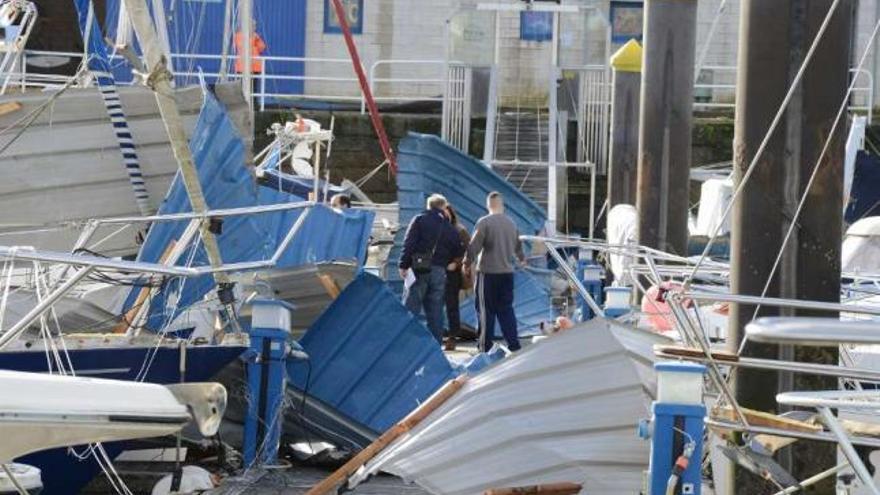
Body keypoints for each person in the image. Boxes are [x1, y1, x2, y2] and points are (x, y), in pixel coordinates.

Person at [464, 191, 525, 352]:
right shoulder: (512, 223)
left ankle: (484, 348)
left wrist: (466, 262)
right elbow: (518, 247)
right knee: (506, 310)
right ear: (502, 206)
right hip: (507, 274)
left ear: (488, 205)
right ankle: (514, 345)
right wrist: (522, 259)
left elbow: (474, 246)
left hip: (488, 274)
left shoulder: (484, 223)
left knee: (485, 311)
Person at [399, 194, 464, 343]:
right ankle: (435, 346)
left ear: (429, 206)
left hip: (418, 269)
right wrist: (448, 262)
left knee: (411, 308)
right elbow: (458, 250)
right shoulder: (450, 227)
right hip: (440, 271)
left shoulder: (420, 219)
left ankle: (405, 343)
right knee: (436, 311)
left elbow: (409, 243)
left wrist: (403, 265)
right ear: (443, 207)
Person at [442, 204, 471, 351]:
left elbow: (468, 250)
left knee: (451, 305)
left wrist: (456, 263)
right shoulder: (437, 228)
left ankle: (452, 337)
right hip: (438, 270)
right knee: (436, 305)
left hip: (452, 272)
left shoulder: (459, 230)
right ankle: (440, 334)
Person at [234, 20, 267, 99]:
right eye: (252, 26)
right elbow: (240, 46)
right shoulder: (239, 36)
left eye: (254, 26)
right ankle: (242, 104)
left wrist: (257, 39)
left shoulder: (256, 36)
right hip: (242, 67)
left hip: (254, 67)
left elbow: (262, 48)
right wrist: (252, 40)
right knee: (241, 87)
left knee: (253, 88)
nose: (254, 28)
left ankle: (254, 105)